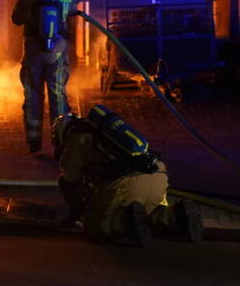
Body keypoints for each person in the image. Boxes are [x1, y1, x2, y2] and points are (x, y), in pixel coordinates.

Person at [52, 105, 203, 246]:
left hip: (126, 182)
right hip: (158, 174)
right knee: (149, 212)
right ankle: (176, 215)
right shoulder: (108, 133)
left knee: (94, 226)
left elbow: (71, 184)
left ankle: (125, 222)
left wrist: (78, 213)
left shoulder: (74, 139)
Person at [11, 0, 109, 153]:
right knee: (58, 97)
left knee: (32, 97)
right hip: (57, 53)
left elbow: (15, 18)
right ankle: (62, 144)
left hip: (33, 55)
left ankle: (34, 142)